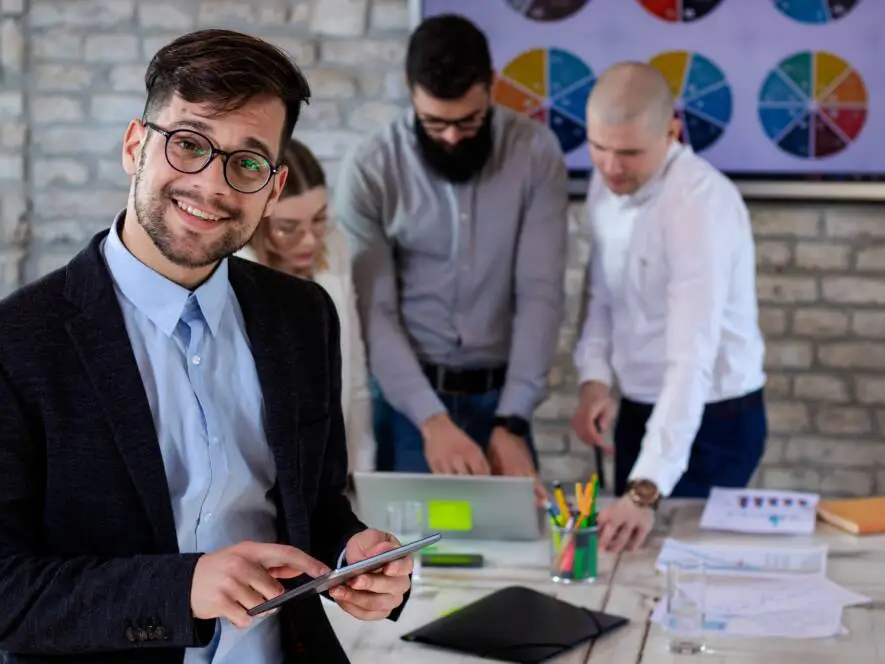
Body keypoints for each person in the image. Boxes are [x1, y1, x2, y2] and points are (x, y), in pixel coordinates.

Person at [0, 30, 411, 664]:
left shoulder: (303, 317)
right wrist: (181, 587)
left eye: (246, 163)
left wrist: (352, 555)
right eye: (188, 144)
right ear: (136, 146)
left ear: (271, 189)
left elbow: (317, 504)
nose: (212, 185)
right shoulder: (18, 342)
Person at [336, 14, 568, 482]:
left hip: (503, 400)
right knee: (408, 549)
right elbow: (374, 311)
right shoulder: (370, 167)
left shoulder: (536, 152)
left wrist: (512, 420)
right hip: (409, 403)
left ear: (492, 85)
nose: (451, 136)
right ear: (410, 87)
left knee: (521, 546)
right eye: (435, 122)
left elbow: (540, 293)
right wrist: (432, 420)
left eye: (468, 121)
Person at [571, 62, 767, 553]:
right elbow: (601, 293)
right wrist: (594, 377)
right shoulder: (606, 183)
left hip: (714, 420)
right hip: (640, 409)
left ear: (672, 131)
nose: (612, 167)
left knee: (683, 568)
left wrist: (646, 487)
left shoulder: (698, 206)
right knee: (626, 559)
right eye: (599, 149)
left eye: (630, 153)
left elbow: (691, 358)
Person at [237, 138, 375, 475]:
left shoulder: (335, 246)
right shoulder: (234, 273)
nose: (311, 239)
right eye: (288, 228)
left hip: (329, 462)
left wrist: (360, 470)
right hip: (260, 468)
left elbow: (353, 376)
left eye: (318, 219)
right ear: (257, 219)